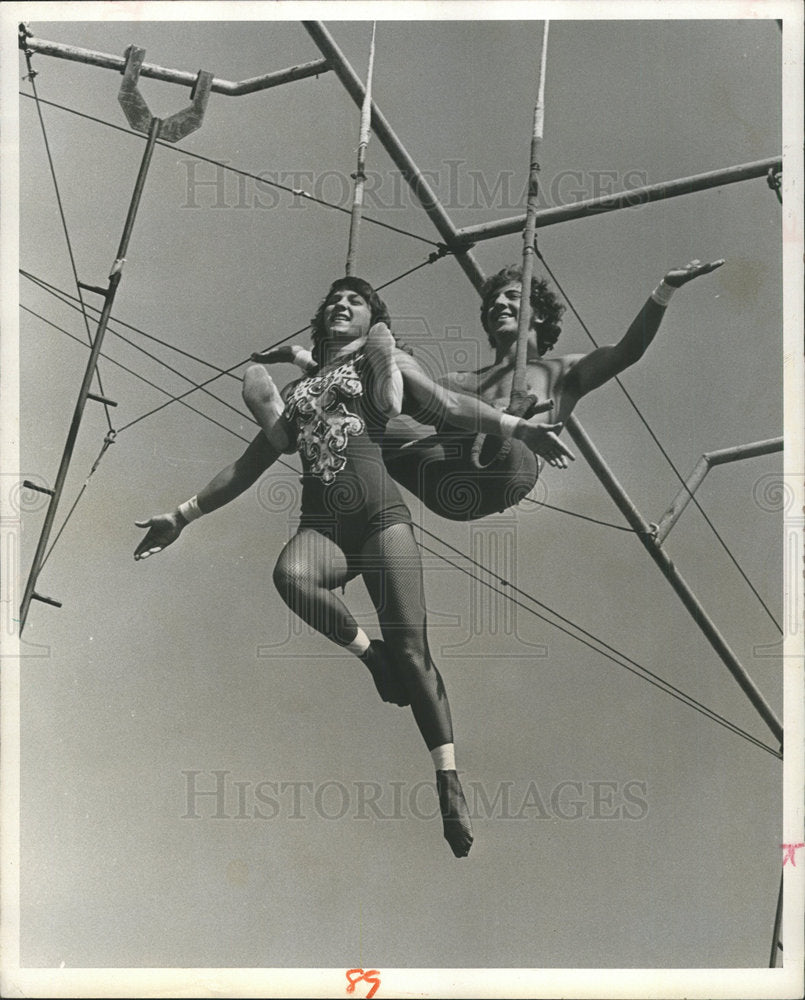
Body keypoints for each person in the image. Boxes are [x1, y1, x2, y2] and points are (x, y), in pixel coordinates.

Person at [134, 276, 570, 859]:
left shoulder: (379, 364)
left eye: (355, 301)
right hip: (326, 528)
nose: (342, 305)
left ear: (371, 321)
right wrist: (182, 516)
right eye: (334, 301)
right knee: (290, 577)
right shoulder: (298, 397)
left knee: (415, 652)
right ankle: (372, 657)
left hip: (380, 518)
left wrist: (519, 429)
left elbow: (448, 406)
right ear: (321, 322)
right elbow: (247, 466)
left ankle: (447, 779)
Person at [382, 258, 725, 520]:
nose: (498, 305)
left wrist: (665, 288)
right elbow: (408, 405)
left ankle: (510, 421)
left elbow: (627, 351)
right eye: (492, 304)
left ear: (539, 316)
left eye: (513, 297)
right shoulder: (460, 381)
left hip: (505, 469)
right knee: (376, 431)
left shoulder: (561, 372)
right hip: (449, 478)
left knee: (491, 417)